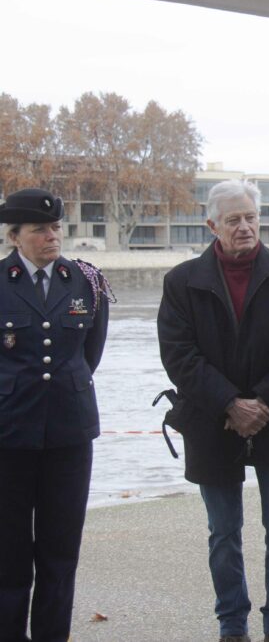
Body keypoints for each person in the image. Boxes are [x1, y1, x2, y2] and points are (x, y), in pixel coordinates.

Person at [157, 180, 269, 642]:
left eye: (250, 217)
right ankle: (232, 624)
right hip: (211, 421)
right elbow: (178, 355)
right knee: (223, 532)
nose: (244, 226)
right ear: (212, 225)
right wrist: (229, 403)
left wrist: (262, 404)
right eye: (233, 220)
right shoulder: (182, 282)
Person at [0, 188, 112, 642]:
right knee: (8, 553)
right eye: (40, 230)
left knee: (61, 551)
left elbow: (90, 353)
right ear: (15, 236)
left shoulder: (86, 280)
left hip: (69, 434)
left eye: (55, 228)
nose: (52, 236)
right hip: (8, 434)